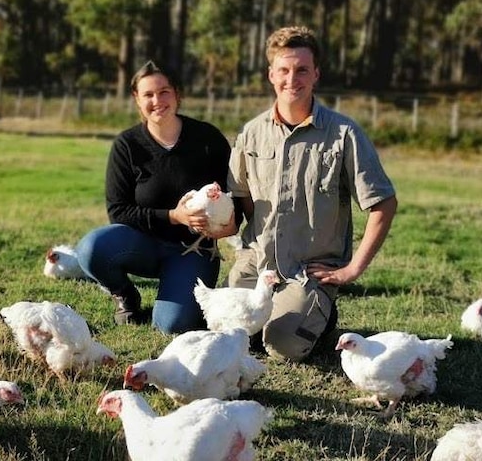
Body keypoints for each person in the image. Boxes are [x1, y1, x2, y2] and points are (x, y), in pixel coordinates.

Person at [225, 26, 398, 361]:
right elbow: (243, 197)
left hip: (308, 270)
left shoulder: (344, 134)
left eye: (302, 70)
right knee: (234, 333)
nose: (293, 79)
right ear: (271, 74)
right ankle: (286, 311)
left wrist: (351, 270)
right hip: (258, 264)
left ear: (316, 73)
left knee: (280, 346)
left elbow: (383, 204)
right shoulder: (251, 133)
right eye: (284, 70)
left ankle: (320, 311)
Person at [75, 60, 233, 334]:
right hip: (143, 244)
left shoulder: (208, 139)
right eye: (148, 94)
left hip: (193, 249)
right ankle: (125, 295)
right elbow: (118, 211)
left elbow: (233, 195)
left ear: (177, 94)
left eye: (164, 92)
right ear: (137, 99)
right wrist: (174, 216)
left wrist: (228, 225)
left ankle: (177, 290)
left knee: (171, 325)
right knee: (91, 248)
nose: (157, 100)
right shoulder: (127, 145)